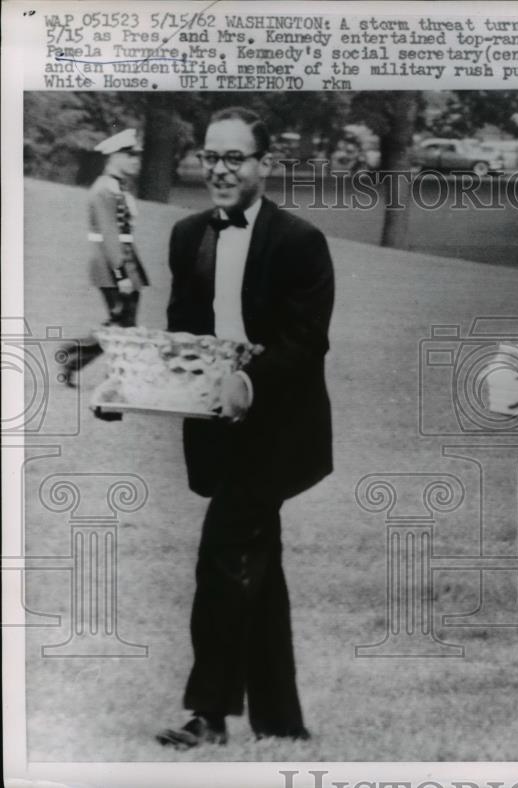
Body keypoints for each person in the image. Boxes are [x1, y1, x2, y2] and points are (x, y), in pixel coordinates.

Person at [156, 107, 335, 748]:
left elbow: (307, 342)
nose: (220, 170)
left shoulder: (299, 241)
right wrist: (134, 383)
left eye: (235, 158)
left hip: (278, 434)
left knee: (221, 559)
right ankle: (281, 720)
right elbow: (182, 331)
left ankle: (208, 714)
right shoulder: (186, 235)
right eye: (211, 156)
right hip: (215, 429)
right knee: (255, 566)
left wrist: (248, 382)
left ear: (264, 164)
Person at [61, 128, 149, 387]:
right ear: (114, 157)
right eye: (130, 155)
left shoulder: (116, 187)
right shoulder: (104, 189)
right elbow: (110, 235)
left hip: (125, 262)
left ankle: (77, 357)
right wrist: (120, 274)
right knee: (123, 323)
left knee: (123, 323)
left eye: (137, 156)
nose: (136, 161)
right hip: (112, 265)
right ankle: (112, 373)